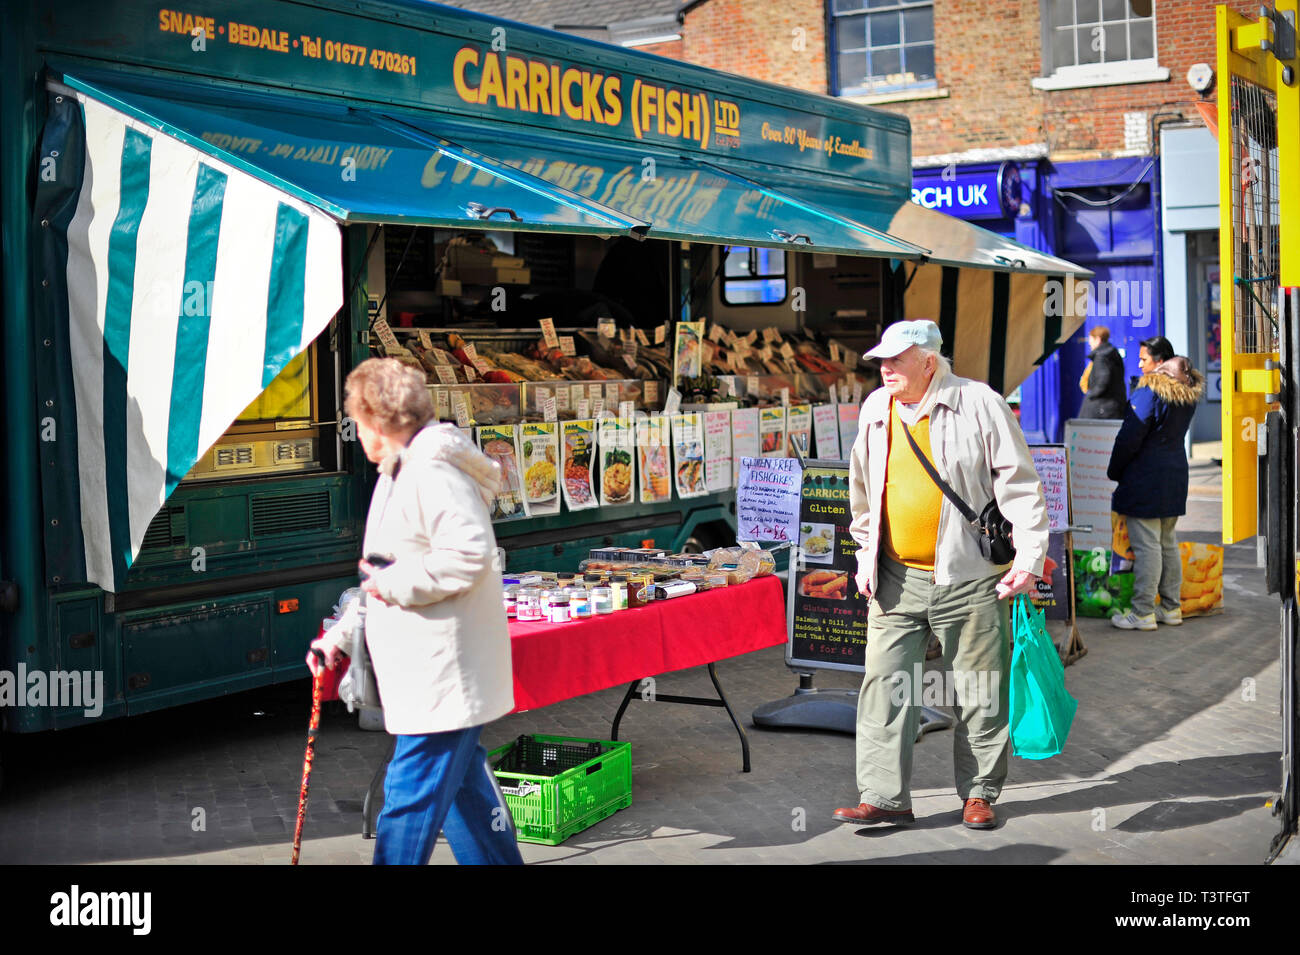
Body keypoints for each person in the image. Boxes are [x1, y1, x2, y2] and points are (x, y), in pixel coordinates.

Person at [308, 357, 524, 865]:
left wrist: (393, 585)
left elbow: (468, 556)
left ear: (378, 422)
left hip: (441, 676)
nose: (356, 434)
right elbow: (383, 571)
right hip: (430, 675)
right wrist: (340, 636)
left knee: (407, 804)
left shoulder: (430, 471)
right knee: (465, 800)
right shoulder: (400, 469)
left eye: (358, 423)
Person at [836, 320, 1049, 831]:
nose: (884, 369)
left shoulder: (979, 402)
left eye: (895, 360)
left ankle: (979, 792)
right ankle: (884, 797)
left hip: (970, 574)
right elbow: (863, 493)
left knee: (979, 687)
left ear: (928, 362)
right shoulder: (875, 409)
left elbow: (1021, 486)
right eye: (881, 361)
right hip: (894, 575)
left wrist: (1030, 557)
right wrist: (866, 555)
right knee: (885, 686)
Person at [1107, 355, 1205, 631]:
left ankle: (1142, 612)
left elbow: (1129, 437)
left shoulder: (1149, 394)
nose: (1141, 365)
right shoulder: (1187, 397)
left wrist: (1115, 470)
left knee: (1147, 546)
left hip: (1145, 478)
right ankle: (1171, 608)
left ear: (1160, 369)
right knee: (1167, 543)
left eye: (1144, 359)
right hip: (1174, 474)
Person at [1078, 325, 1127, 419]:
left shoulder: (1101, 357)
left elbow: (1103, 379)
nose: (1089, 343)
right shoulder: (1113, 354)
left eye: (1091, 339)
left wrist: (1092, 395)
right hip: (1113, 406)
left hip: (1101, 408)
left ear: (1098, 339)